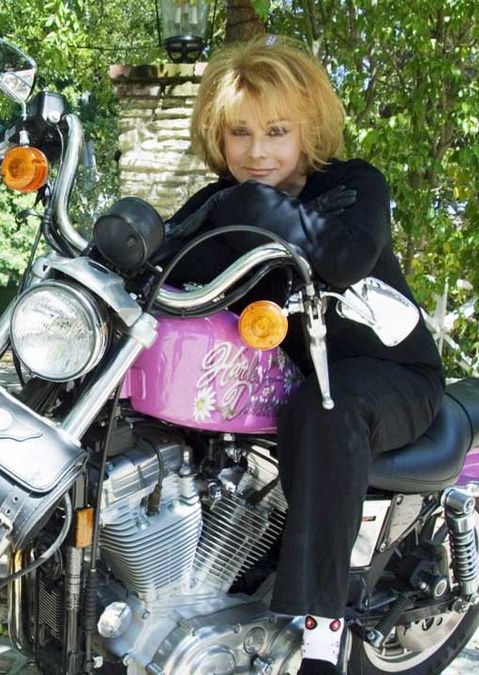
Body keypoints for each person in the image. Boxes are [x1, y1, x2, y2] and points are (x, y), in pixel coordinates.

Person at [161, 36, 446, 675]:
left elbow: (344, 256)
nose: (256, 151)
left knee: (324, 409)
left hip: (387, 373)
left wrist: (250, 207)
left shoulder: (353, 184)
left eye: (276, 130)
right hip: (295, 372)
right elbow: (160, 268)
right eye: (238, 133)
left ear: (308, 127)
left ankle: (321, 636)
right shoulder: (218, 201)